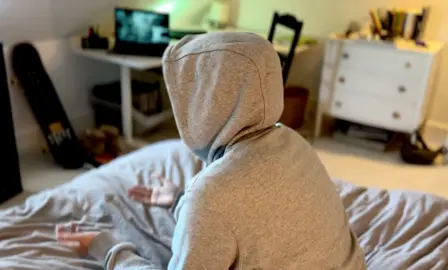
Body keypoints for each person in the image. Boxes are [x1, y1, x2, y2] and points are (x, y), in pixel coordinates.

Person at [57, 32, 366, 269]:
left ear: (204, 104)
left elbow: (225, 206)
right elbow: (253, 218)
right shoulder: (294, 142)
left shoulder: (212, 196)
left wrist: (107, 248)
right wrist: (180, 201)